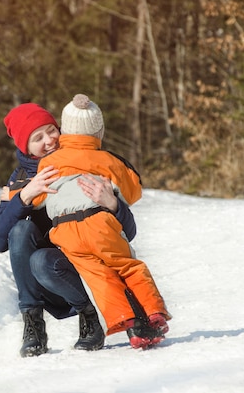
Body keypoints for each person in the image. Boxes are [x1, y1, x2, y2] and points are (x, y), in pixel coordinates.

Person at [0, 102, 140, 357]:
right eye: (38, 138)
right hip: (55, 274)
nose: (49, 140)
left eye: (51, 130)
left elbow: (130, 232)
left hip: (96, 265)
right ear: (24, 147)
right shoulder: (20, 180)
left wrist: (112, 204)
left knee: (42, 257)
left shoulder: (87, 162)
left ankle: (125, 313)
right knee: (21, 234)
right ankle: (39, 323)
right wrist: (25, 196)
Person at [31, 94, 171, 349]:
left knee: (99, 275)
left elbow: (38, 196)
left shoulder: (49, 162)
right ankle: (153, 311)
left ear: (65, 132)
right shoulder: (108, 160)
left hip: (66, 231)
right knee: (128, 267)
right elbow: (133, 190)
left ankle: (124, 319)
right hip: (98, 224)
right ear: (99, 131)